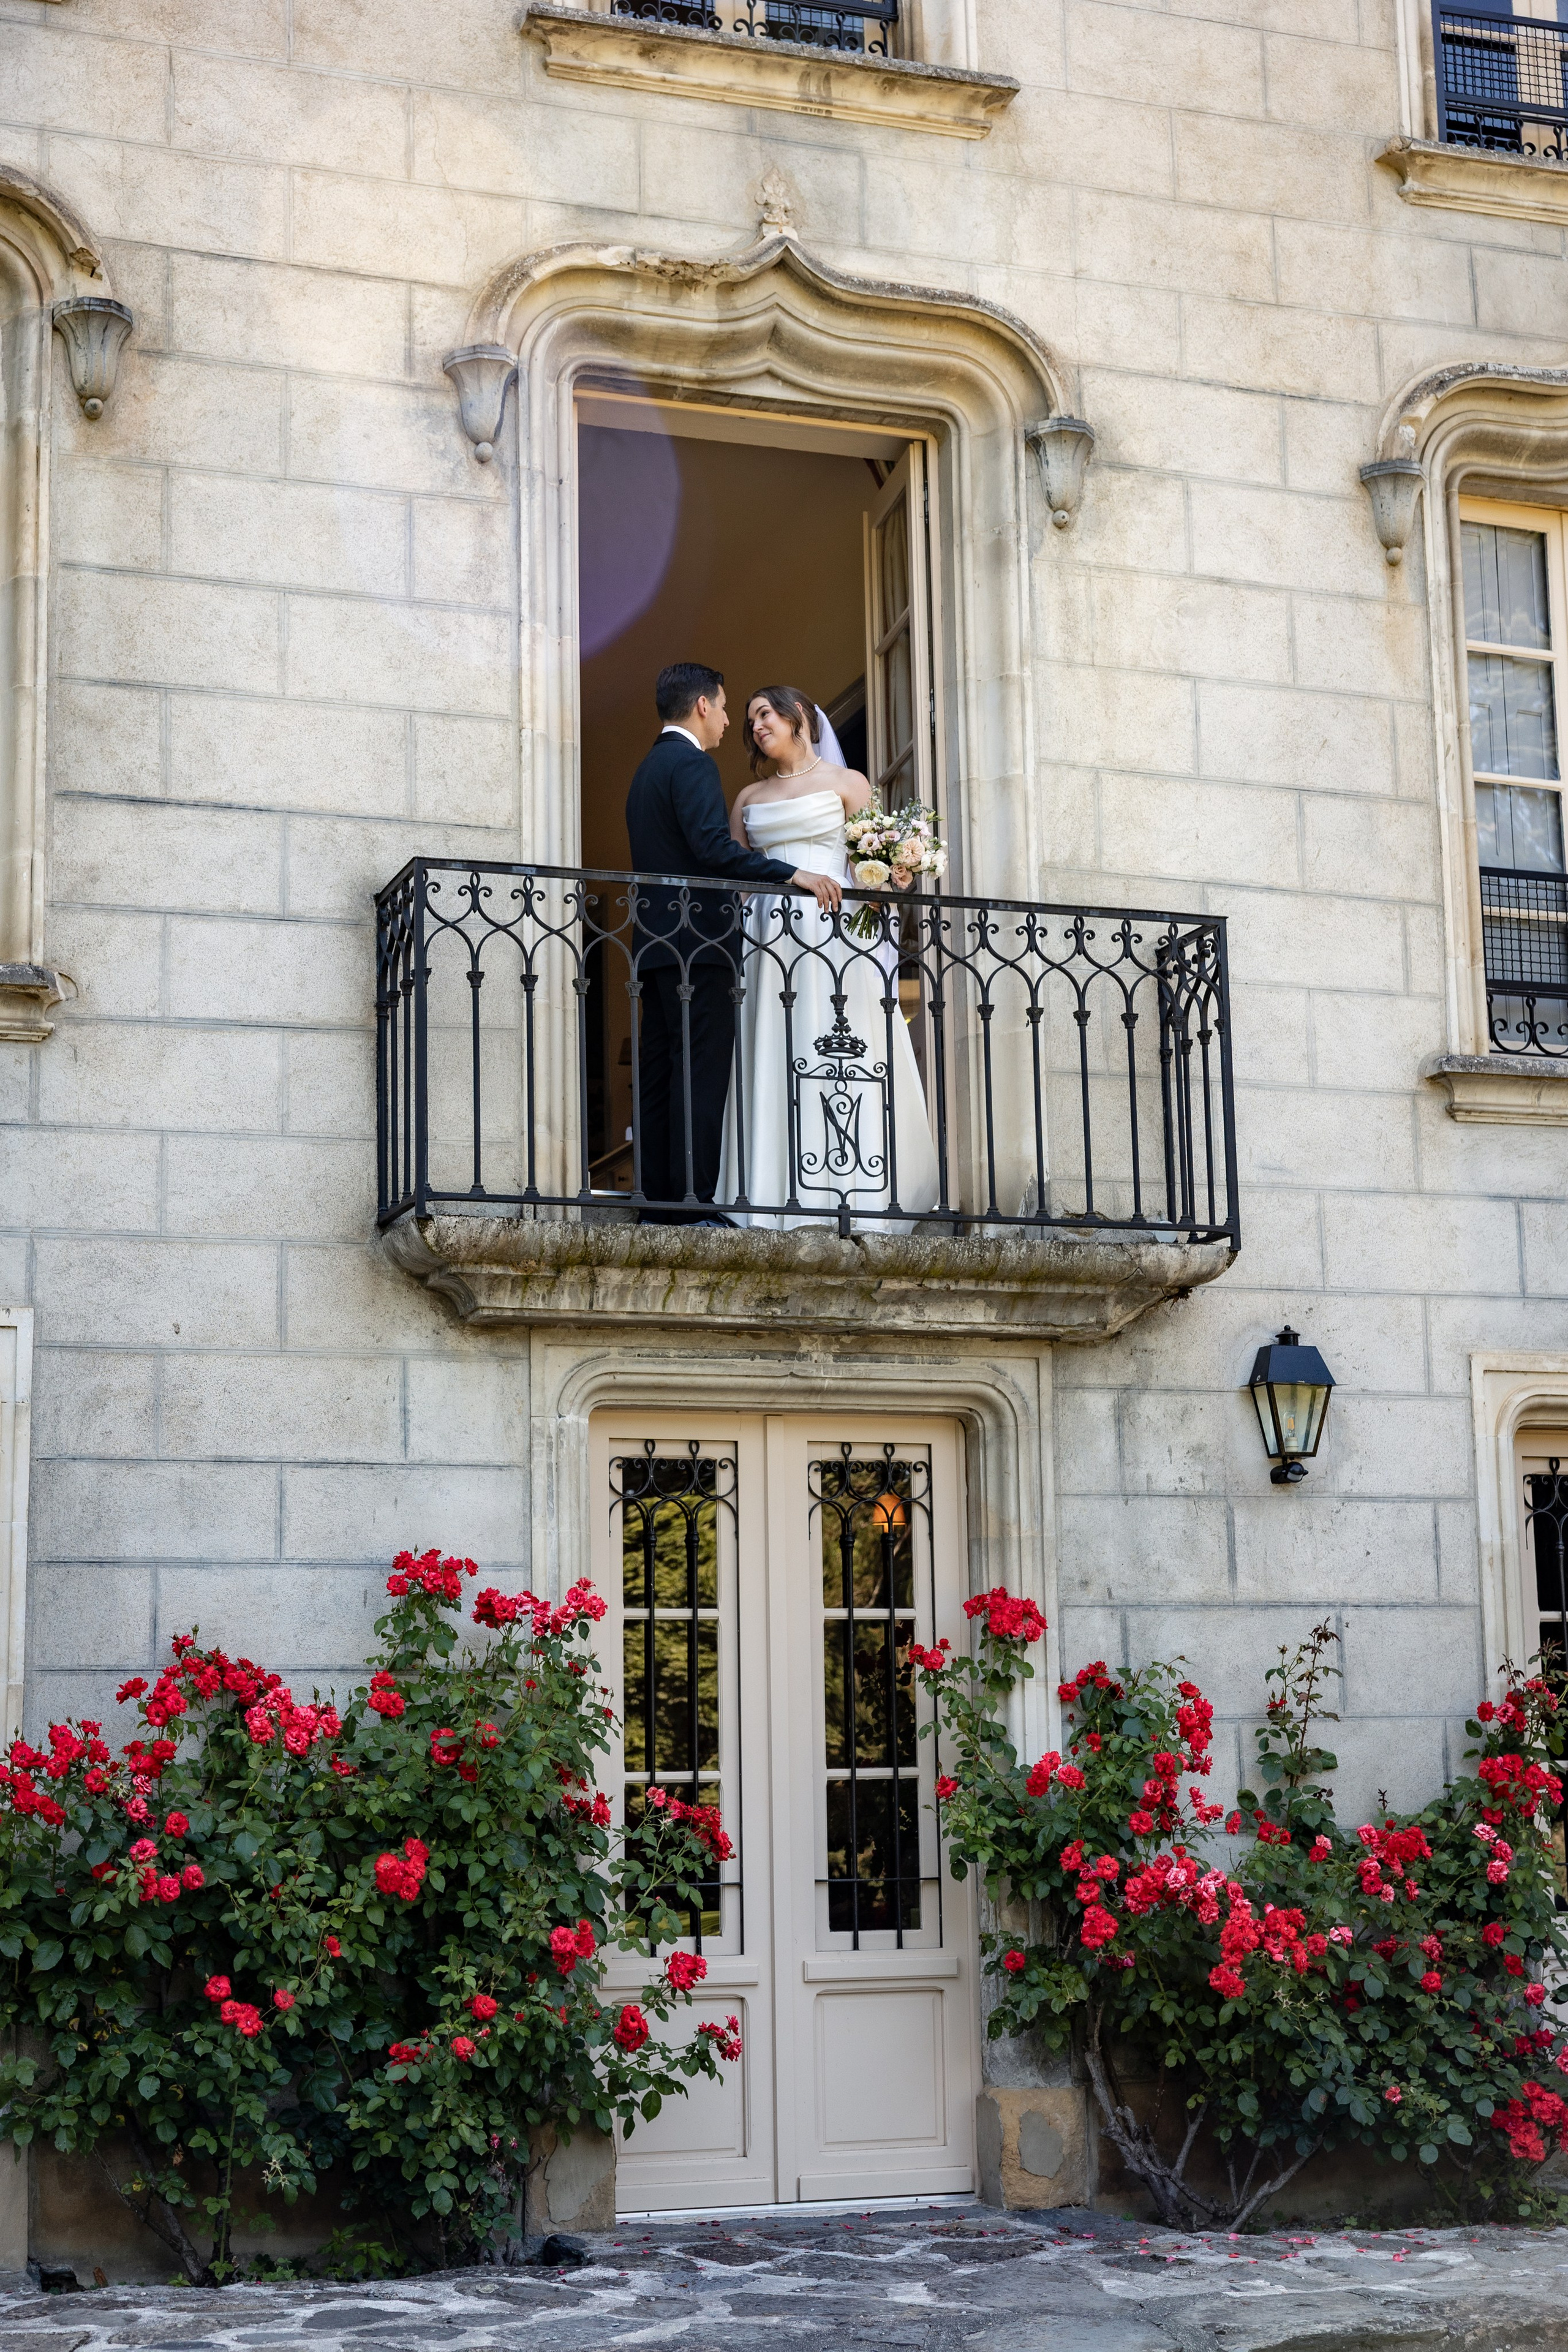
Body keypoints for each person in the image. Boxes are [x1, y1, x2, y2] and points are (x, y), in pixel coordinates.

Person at [624, 662, 842, 1224]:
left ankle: (657, 1202)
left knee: (661, 1071)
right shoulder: (692, 764)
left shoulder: (646, 769)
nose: (729, 723)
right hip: (699, 942)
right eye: (724, 708)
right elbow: (713, 849)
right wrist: (789, 875)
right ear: (702, 706)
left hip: (653, 942)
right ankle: (693, 1204)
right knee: (699, 1069)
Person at [718, 685, 940, 1230]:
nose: (757, 726)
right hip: (769, 937)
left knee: (848, 1049)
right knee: (775, 1045)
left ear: (798, 716)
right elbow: (736, 875)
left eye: (766, 714)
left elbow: (873, 867)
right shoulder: (748, 797)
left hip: (839, 932)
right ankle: (770, 1192)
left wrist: (897, 874)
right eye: (750, 721)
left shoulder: (849, 784)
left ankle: (857, 1193)